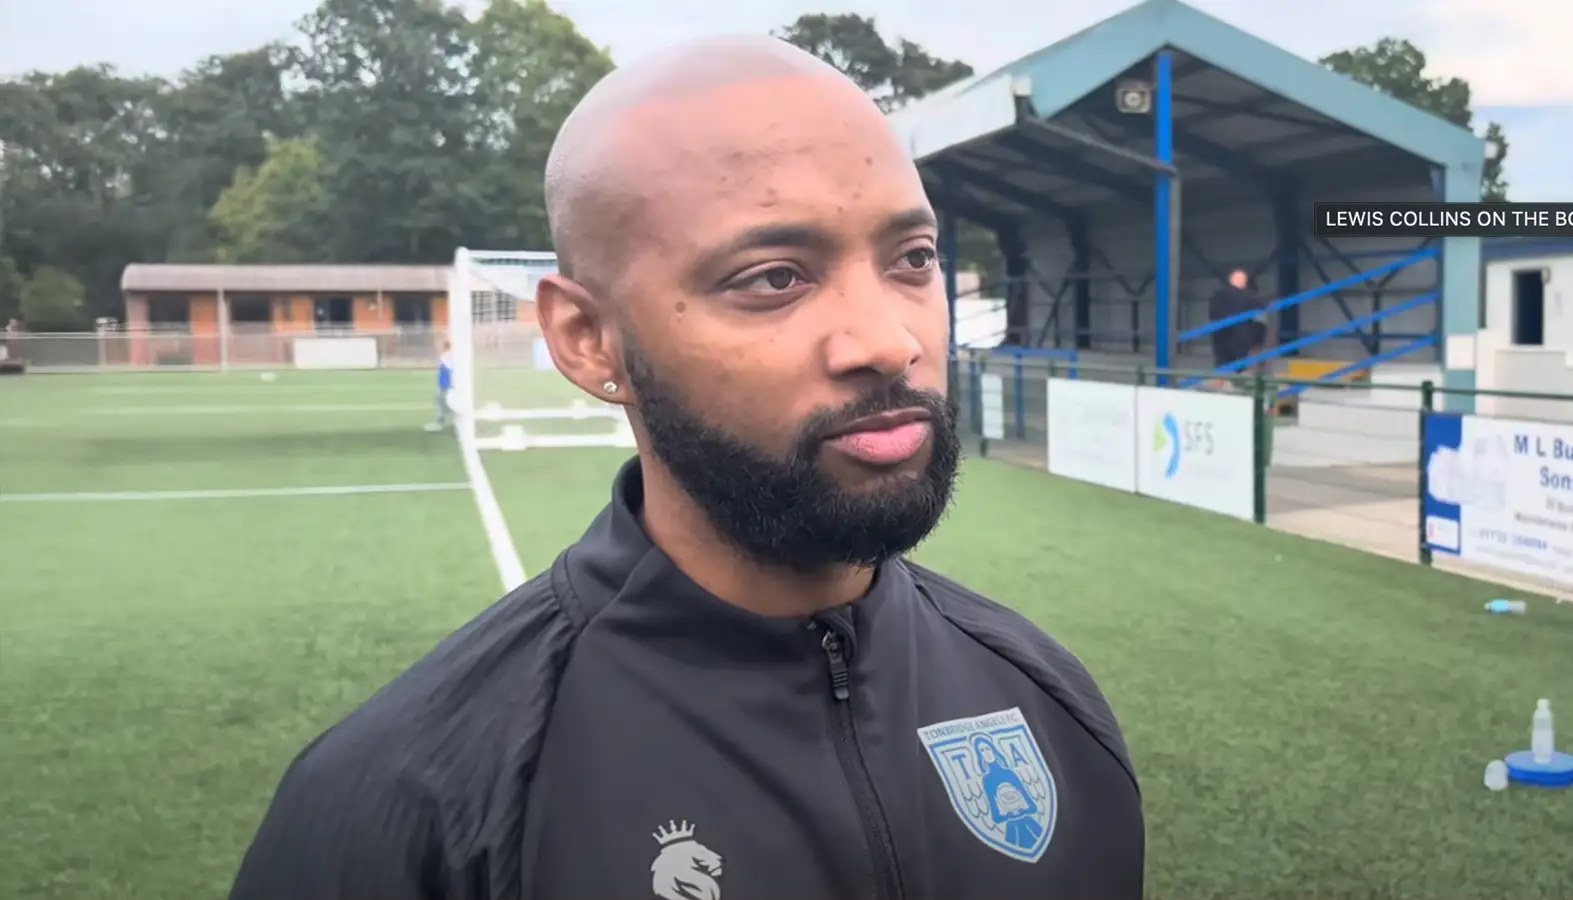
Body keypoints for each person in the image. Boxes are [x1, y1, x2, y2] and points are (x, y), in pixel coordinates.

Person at [229, 35, 1143, 900]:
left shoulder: (1046, 702)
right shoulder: (411, 806)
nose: (887, 341)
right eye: (775, 277)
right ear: (587, 338)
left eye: (913, 259)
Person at [1205, 269, 1271, 388]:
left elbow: (1212, 316)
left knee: (1221, 369)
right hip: (1243, 342)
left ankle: (1213, 392)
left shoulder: (1216, 297)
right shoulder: (1252, 299)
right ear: (1245, 283)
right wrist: (1259, 340)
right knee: (1242, 372)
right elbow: (1261, 322)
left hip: (1221, 340)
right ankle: (1243, 392)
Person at [425, 338, 453, 432]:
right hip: (444, 382)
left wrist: (446, 383)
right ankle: (443, 418)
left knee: (440, 401)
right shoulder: (448, 355)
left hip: (444, 383)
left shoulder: (445, 356)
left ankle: (442, 420)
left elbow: (447, 370)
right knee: (440, 401)